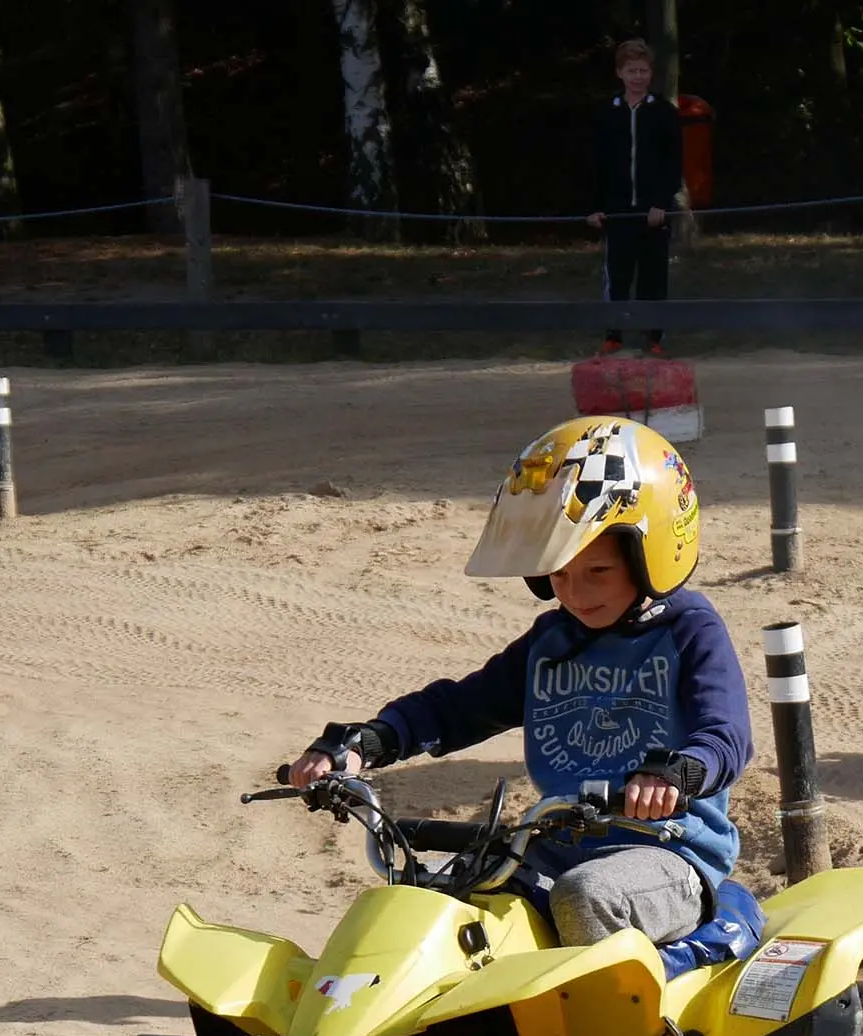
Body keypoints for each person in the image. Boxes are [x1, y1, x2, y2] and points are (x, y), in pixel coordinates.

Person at [286, 416, 753, 948]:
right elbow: (458, 708)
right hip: (558, 841)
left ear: (654, 554)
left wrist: (676, 773)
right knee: (448, 891)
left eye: (597, 571)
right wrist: (367, 743)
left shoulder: (689, 632)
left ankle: (617, 1003)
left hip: (667, 852)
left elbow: (727, 736)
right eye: (559, 573)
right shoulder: (552, 641)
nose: (575, 593)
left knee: (586, 896)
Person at [588, 40, 683, 358]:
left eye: (643, 71)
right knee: (617, 275)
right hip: (616, 212)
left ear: (651, 73)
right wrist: (595, 207)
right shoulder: (605, 113)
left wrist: (662, 204)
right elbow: (595, 164)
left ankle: (654, 337)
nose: (638, 77)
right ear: (620, 73)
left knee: (653, 277)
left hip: (653, 211)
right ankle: (613, 335)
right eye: (632, 71)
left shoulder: (664, 113)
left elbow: (673, 164)